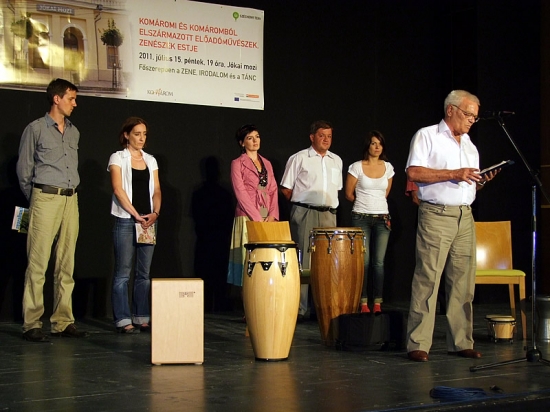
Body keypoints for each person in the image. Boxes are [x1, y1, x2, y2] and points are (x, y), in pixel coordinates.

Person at [405, 90, 498, 362]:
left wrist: (480, 181)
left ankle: (461, 341)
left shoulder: (469, 145)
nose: (471, 120)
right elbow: (414, 172)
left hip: (465, 216)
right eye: (468, 114)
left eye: (475, 117)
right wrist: (454, 173)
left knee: (463, 282)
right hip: (437, 214)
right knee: (428, 280)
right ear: (451, 110)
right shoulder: (427, 136)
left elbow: (468, 184)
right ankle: (418, 343)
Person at [16, 78, 88, 342]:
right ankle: (32, 323)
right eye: (71, 98)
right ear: (56, 99)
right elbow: (24, 171)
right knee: (38, 262)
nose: (75, 104)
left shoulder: (74, 131)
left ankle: (63, 321)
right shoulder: (35, 129)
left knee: (66, 263)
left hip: (71, 200)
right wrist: (37, 198)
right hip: (45, 198)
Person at [280, 120, 343, 321]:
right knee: (303, 261)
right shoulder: (299, 158)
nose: (326, 140)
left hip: (329, 215)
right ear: (312, 137)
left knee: (325, 261)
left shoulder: (336, 160)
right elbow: (286, 188)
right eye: (322, 135)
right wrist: (302, 205)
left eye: (329, 136)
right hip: (305, 212)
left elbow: (336, 189)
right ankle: (300, 308)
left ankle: (321, 307)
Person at [108, 117, 161, 334]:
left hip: (147, 221)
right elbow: (118, 189)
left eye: (144, 134)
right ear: (127, 135)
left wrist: (155, 213)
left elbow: (156, 190)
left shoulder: (151, 160)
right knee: (123, 273)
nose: (141, 138)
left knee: (144, 274)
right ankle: (123, 319)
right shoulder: (117, 157)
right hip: (125, 219)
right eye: (137, 134)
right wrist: (134, 214)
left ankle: (141, 317)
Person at [345, 130, 394, 314]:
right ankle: (363, 301)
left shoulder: (388, 167)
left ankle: (378, 302)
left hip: (382, 218)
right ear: (368, 146)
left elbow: (385, 193)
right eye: (373, 143)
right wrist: (365, 204)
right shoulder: (356, 166)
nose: (377, 147)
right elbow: (349, 194)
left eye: (379, 143)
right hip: (361, 217)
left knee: (378, 263)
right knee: (363, 262)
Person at [227, 124, 279, 289]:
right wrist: (256, 218)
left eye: (257, 137)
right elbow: (240, 192)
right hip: (247, 216)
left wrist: (272, 215)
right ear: (242, 143)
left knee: (265, 259)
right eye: (250, 138)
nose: (255, 141)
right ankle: (247, 299)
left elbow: (273, 189)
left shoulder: (267, 163)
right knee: (248, 259)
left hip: (266, 215)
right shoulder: (237, 163)